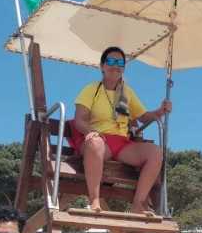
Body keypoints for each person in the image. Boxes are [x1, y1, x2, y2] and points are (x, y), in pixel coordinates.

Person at [70, 46, 172, 214]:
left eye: (120, 62)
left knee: (155, 153)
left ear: (123, 68)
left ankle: (138, 204)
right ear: (102, 66)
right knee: (95, 143)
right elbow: (79, 120)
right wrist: (91, 132)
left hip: (122, 144)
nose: (115, 65)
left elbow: (144, 116)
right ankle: (94, 201)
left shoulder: (126, 92)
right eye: (111, 61)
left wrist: (161, 110)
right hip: (98, 142)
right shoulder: (91, 89)